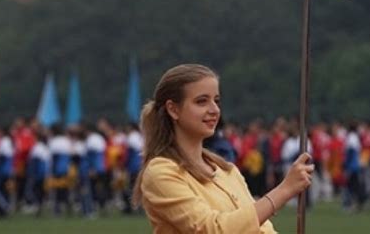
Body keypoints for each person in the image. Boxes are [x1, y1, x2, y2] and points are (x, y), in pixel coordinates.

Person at [133, 64, 314, 233]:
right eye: (201, 101)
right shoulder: (160, 172)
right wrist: (284, 190)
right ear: (173, 109)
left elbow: (261, 229)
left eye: (216, 101)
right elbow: (215, 229)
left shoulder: (227, 170)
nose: (214, 110)